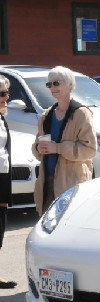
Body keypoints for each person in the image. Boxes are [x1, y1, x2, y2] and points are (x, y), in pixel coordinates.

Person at [31, 66, 97, 216]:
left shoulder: (81, 113)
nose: (52, 87)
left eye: (56, 83)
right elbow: (36, 147)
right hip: (47, 182)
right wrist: (38, 148)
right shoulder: (46, 115)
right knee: (48, 228)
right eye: (49, 84)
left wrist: (58, 148)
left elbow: (90, 149)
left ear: (70, 84)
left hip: (72, 183)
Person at [0, 75, 17, 289]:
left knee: (0, 224)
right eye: (2, 94)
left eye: (6, 93)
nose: (6, 97)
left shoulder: (2, 117)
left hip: (2, 174)